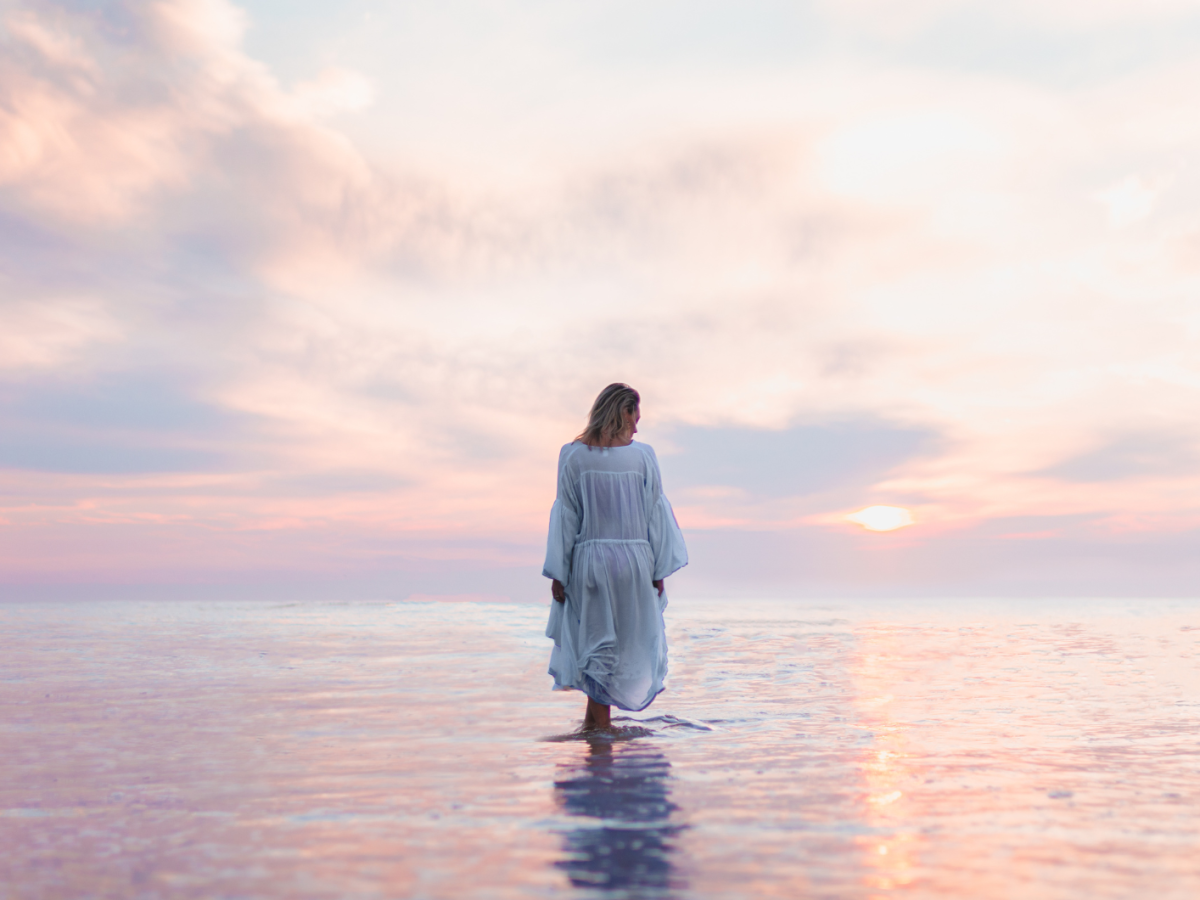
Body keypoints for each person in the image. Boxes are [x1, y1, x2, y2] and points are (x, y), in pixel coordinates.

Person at [542, 383, 688, 730]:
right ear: (623, 412)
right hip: (635, 563)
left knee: (598, 648)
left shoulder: (572, 455)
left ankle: (598, 737)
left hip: (590, 563)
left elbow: (567, 516)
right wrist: (658, 570)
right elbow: (656, 515)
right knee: (624, 647)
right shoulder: (644, 456)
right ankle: (598, 734)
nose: (637, 426)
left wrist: (558, 572)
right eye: (636, 417)